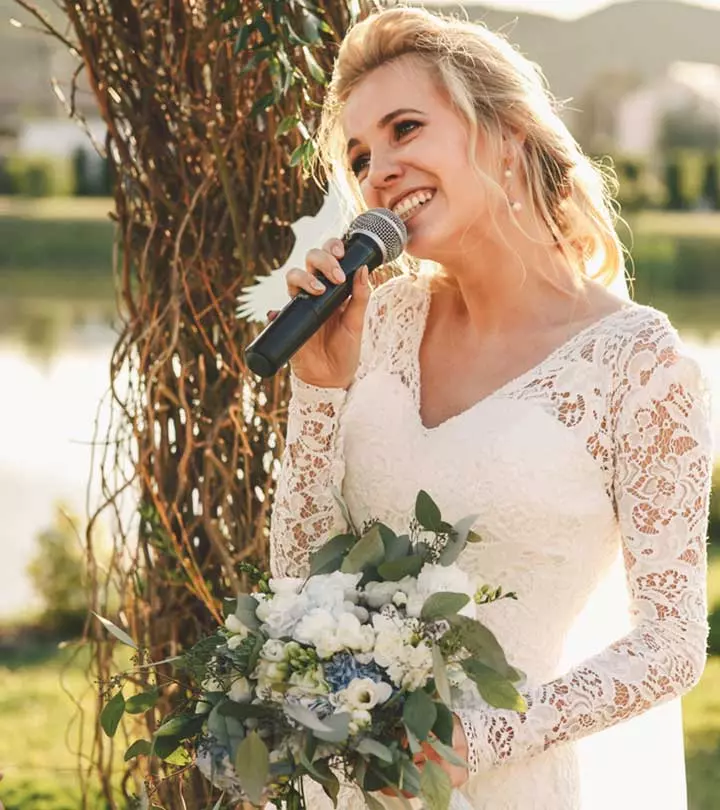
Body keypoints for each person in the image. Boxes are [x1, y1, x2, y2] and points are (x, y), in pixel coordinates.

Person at [266, 6, 713, 809]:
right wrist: (318, 387)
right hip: (358, 781)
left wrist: (477, 742)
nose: (379, 172)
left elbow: (671, 646)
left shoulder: (637, 363)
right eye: (362, 156)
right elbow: (300, 582)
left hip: (519, 781)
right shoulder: (377, 322)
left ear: (507, 134)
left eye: (406, 128)